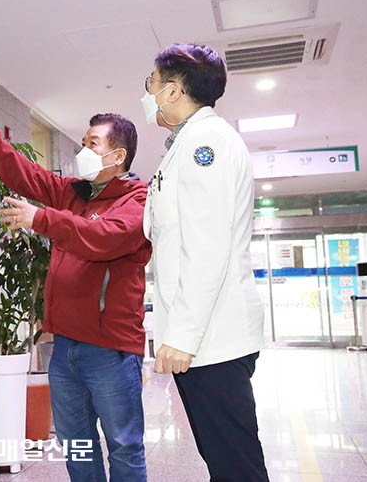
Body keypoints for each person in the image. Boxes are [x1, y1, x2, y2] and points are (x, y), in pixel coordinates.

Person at [0, 98, 151, 482]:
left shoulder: (138, 200)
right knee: (77, 445)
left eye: (93, 143)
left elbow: (103, 237)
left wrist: (42, 219)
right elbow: (26, 175)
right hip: (66, 347)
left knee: (124, 445)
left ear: (118, 156)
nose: (83, 150)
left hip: (111, 349)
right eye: (83, 142)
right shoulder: (72, 193)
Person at [142, 43, 269, 480]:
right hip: (206, 339)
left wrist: (183, 336)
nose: (148, 93)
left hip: (211, 340)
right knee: (225, 461)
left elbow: (207, 247)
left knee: (236, 466)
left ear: (173, 90)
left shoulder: (206, 143)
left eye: (151, 83)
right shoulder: (186, 143)